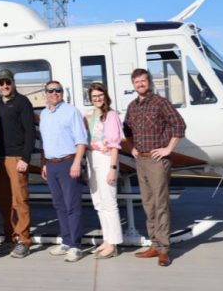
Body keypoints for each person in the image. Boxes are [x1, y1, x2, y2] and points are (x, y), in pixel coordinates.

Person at [123, 68, 186, 267]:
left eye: (143, 81)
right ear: (133, 85)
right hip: (140, 160)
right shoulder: (132, 106)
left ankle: (164, 250)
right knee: (148, 204)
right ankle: (154, 244)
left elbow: (179, 125)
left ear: (149, 82)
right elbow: (126, 129)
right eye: (137, 82)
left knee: (161, 204)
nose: (140, 84)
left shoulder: (160, 102)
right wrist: (131, 148)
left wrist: (168, 149)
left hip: (157, 161)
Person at [39, 80, 87, 263]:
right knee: (59, 205)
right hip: (51, 165)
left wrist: (77, 163)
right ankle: (66, 241)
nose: (54, 93)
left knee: (72, 205)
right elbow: (45, 142)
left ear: (62, 93)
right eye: (50, 90)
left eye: (57, 90)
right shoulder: (44, 114)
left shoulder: (71, 111)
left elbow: (81, 140)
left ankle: (76, 246)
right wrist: (44, 164)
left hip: (68, 163)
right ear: (45, 93)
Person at [0, 69, 35, 258]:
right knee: (4, 201)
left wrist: (25, 158)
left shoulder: (23, 102)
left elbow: (30, 132)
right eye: (1, 83)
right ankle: (9, 238)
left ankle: (24, 240)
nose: (5, 86)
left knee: (20, 200)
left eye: (8, 82)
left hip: (16, 158)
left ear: (13, 83)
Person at [84, 82, 124, 259]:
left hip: (106, 159)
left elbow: (115, 144)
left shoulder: (111, 116)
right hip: (91, 159)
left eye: (100, 95)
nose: (97, 99)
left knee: (109, 202)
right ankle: (107, 239)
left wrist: (112, 168)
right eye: (94, 96)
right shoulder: (90, 115)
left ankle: (113, 244)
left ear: (105, 96)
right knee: (99, 203)